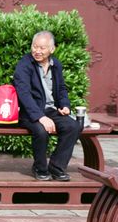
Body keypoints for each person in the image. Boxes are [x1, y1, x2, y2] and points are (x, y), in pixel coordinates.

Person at [13, 30, 82, 181]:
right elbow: (23, 94)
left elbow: (62, 88)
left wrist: (65, 105)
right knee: (41, 131)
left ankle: (56, 167)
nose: (37, 51)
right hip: (28, 112)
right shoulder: (24, 64)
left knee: (73, 126)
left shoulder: (56, 64)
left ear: (52, 49)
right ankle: (40, 168)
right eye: (34, 47)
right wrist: (40, 117)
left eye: (42, 48)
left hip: (50, 110)